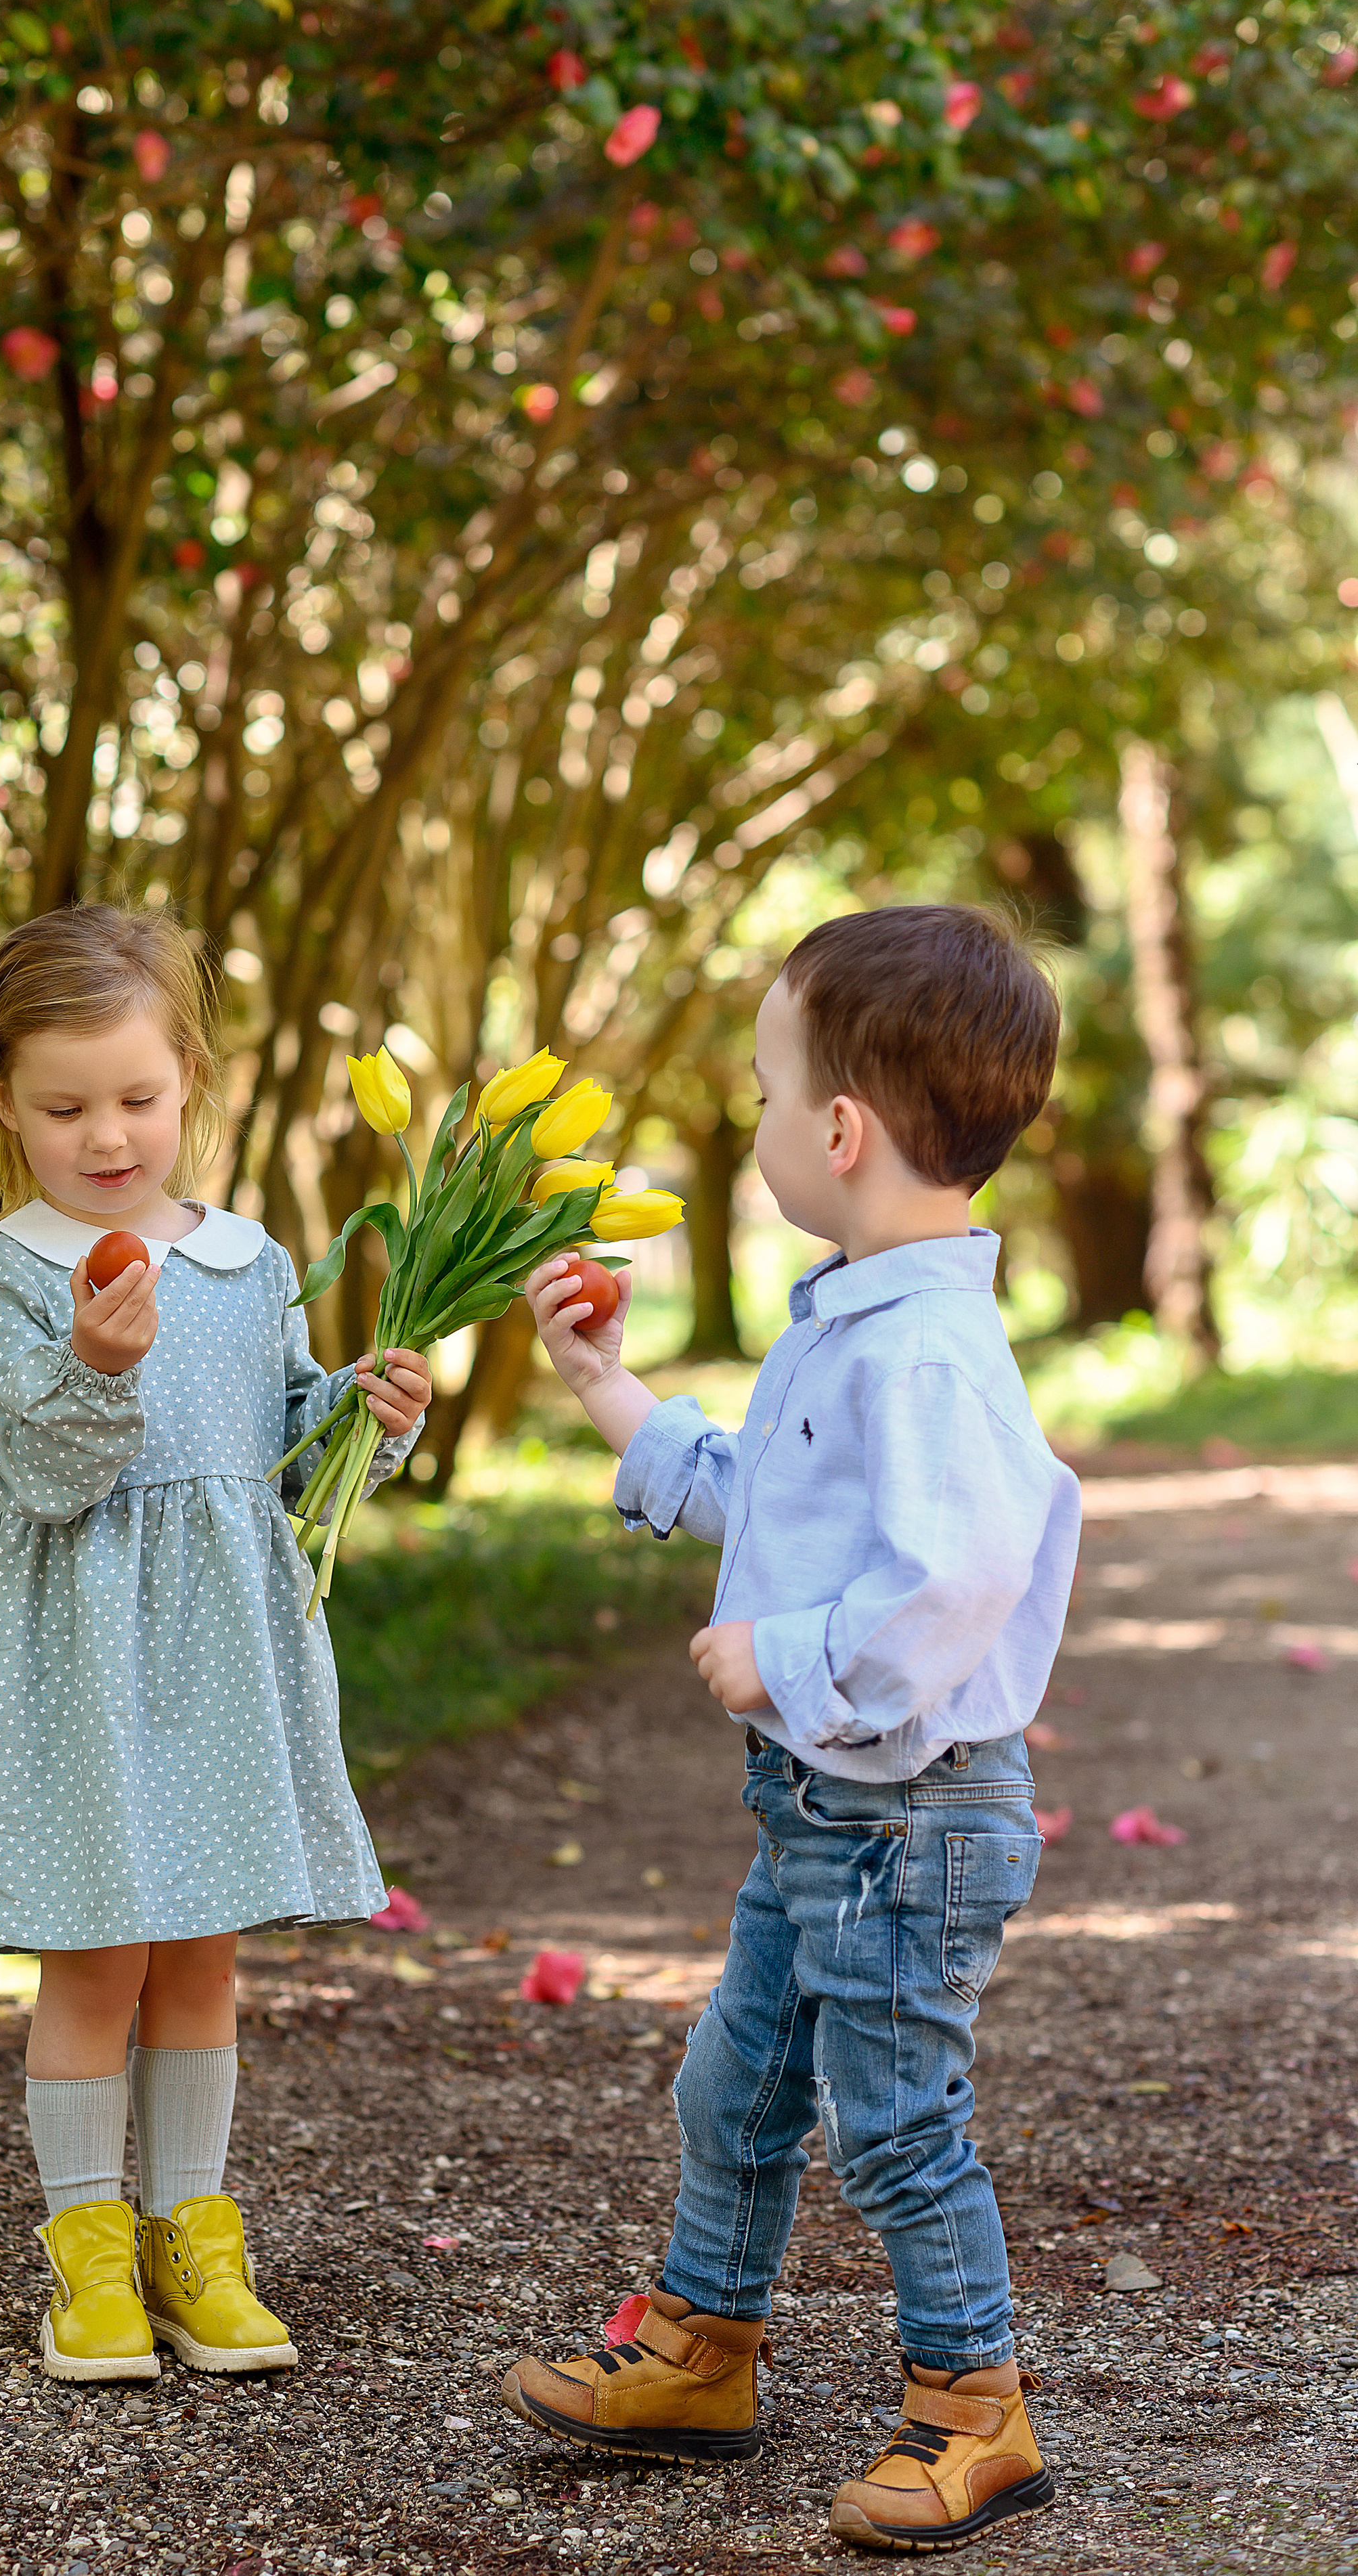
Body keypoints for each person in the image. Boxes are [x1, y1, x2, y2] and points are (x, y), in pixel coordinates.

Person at [502, 904, 1078, 2554]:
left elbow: (956, 1576)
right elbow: (769, 1500)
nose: (754, 1125)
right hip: (831, 1809)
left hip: (909, 1812)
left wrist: (789, 1657)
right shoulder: (854, 1315)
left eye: (762, 1093)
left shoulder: (929, 1357)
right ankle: (703, 2344)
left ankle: (973, 2407)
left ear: (836, 1129)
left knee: (894, 2122)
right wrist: (613, 1391)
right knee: (737, 2084)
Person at [0, 904, 431, 2383]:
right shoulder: (11, 1278)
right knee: (98, 1961)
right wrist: (92, 1365)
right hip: (83, 1659)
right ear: (1, 1102)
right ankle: (87, 2256)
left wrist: (359, 1413)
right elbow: (33, 1473)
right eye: (65, 1106)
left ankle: (192, 2236)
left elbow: (278, 1447)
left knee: (201, 1953)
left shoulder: (245, 1260)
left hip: (221, 1649)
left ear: (189, 1086)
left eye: (138, 1100)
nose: (106, 1138)